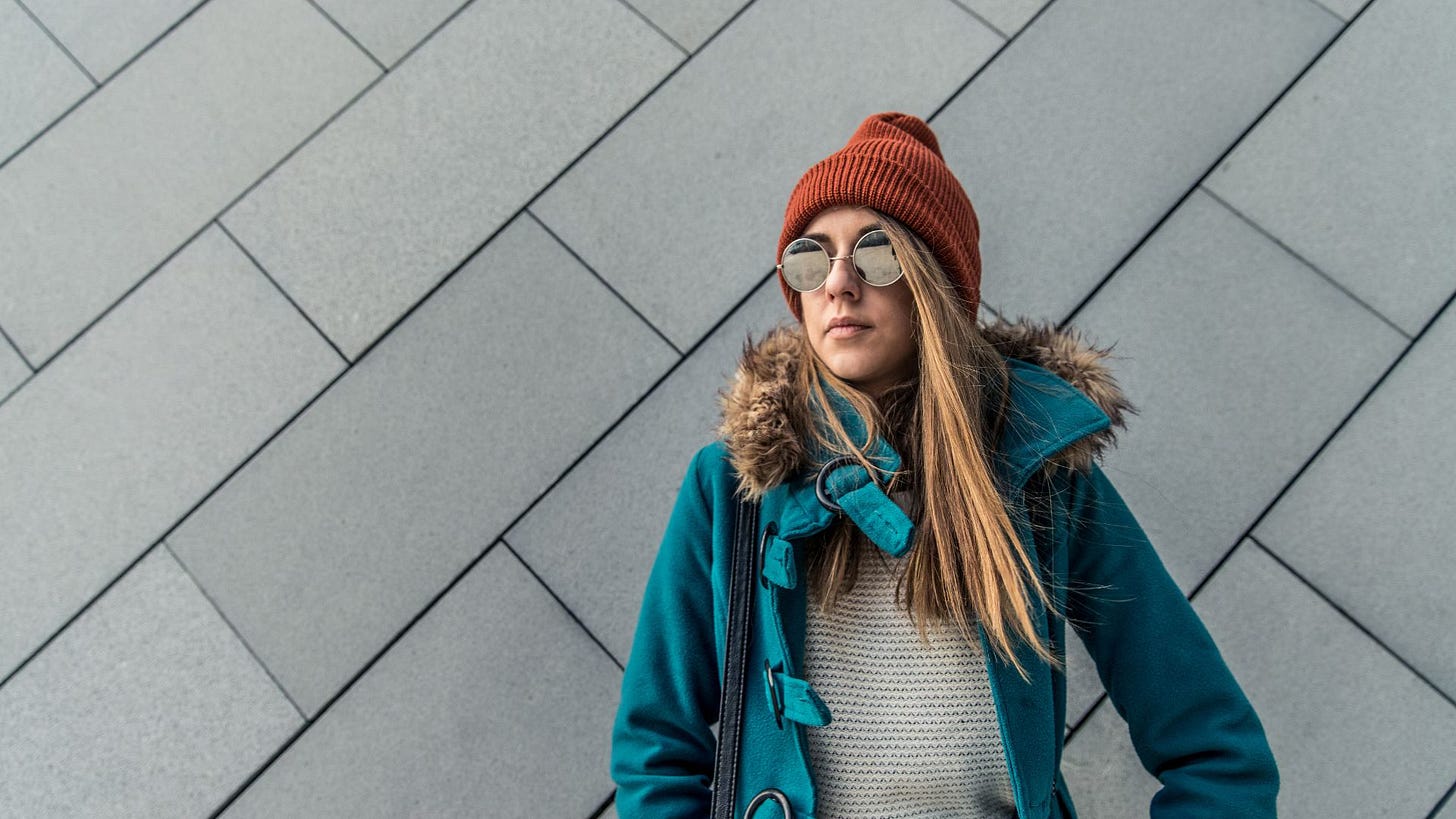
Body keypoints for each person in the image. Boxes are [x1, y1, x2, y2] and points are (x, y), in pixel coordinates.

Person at [609, 111, 1278, 818]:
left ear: (933, 284)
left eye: (875, 252)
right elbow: (656, 745)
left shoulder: (1040, 478)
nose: (838, 282)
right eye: (811, 256)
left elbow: (1216, 748)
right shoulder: (735, 489)